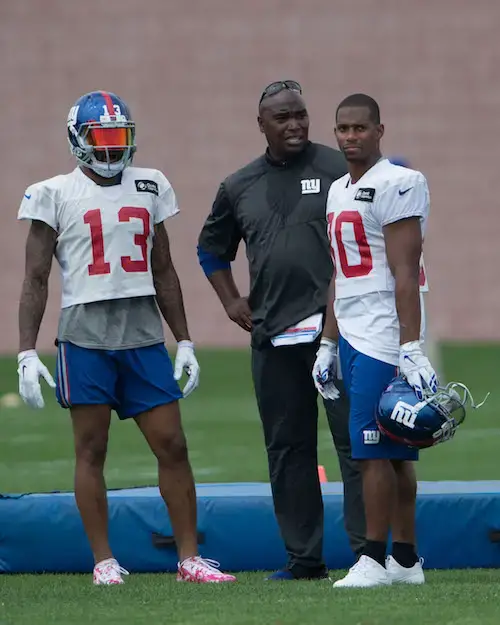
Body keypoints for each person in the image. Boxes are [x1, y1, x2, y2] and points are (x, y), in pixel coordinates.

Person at [16, 90, 236, 586]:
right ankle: (104, 561)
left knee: (173, 445)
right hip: (84, 332)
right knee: (91, 450)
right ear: (78, 140)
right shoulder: (51, 192)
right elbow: (35, 278)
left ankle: (188, 559)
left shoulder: (151, 183)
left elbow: (164, 269)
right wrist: (27, 350)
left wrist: (186, 340)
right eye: (102, 139)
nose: (113, 149)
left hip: (142, 332)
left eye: (119, 138)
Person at [197, 80, 365, 580]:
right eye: (283, 118)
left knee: (357, 444)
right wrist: (230, 299)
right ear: (262, 125)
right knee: (288, 451)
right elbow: (210, 249)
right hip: (274, 337)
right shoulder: (239, 185)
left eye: (301, 116)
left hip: (337, 333)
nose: (295, 125)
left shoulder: (339, 169)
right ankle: (304, 559)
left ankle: (368, 555)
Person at [313, 93, 437, 588]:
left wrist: (410, 347)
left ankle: (373, 559)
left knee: (372, 450)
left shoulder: (400, 183)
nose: (349, 137)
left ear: (379, 131)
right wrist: (326, 341)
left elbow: (405, 273)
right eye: (342, 129)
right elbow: (339, 273)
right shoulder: (338, 189)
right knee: (395, 446)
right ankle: (406, 562)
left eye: (359, 128)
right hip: (353, 327)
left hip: (384, 332)